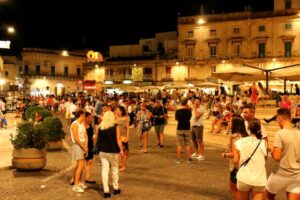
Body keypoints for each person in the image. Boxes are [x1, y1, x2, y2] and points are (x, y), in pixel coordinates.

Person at [265, 108, 300, 200]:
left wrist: (271, 150)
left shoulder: (280, 134)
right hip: (297, 175)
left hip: (281, 173)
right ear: (290, 118)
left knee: (267, 196)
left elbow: (276, 157)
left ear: (279, 118)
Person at [234, 120, 267, 200]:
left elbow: (235, 161)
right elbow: (264, 159)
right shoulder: (263, 142)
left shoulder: (239, 142)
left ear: (248, 129)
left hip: (244, 177)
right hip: (259, 178)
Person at [95, 111, 123, 198]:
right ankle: (115, 188)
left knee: (105, 170)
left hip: (103, 151)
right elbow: (118, 139)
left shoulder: (101, 127)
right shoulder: (116, 126)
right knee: (115, 169)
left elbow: (97, 139)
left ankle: (106, 191)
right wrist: (121, 149)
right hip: (114, 151)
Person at [222, 116, 248, 200]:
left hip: (236, 165)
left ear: (235, 125)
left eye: (231, 122)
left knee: (234, 187)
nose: (229, 123)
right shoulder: (245, 135)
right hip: (245, 164)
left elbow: (234, 154)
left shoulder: (235, 137)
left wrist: (225, 154)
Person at [70, 110, 88, 193]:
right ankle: (75, 185)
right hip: (78, 145)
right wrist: (83, 147)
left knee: (81, 165)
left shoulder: (82, 124)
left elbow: (86, 136)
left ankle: (79, 182)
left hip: (83, 145)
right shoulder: (74, 124)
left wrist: (86, 146)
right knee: (80, 165)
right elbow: (76, 139)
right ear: (81, 115)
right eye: (84, 115)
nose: (85, 116)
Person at [175, 99, 192, 163]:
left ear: (181, 103)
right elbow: (189, 118)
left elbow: (176, 119)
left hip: (179, 128)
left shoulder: (178, 111)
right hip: (187, 128)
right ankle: (188, 159)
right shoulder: (189, 111)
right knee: (188, 144)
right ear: (186, 103)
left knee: (179, 144)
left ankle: (178, 159)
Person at [115, 106, 130, 172]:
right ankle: (122, 163)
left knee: (124, 152)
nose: (117, 111)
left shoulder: (125, 118)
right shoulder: (116, 117)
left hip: (123, 136)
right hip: (117, 136)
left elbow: (128, 128)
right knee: (121, 152)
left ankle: (124, 166)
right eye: (116, 110)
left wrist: (127, 137)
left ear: (121, 111)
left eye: (118, 110)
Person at [83, 112, 96, 184]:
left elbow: (92, 135)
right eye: (89, 117)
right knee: (80, 163)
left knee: (89, 161)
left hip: (90, 145)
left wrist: (94, 144)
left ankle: (87, 177)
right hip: (83, 145)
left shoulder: (90, 125)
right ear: (85, 118)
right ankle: (74, 178)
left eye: (91, 117)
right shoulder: (81, 126)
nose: (91, 119)